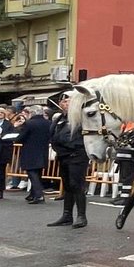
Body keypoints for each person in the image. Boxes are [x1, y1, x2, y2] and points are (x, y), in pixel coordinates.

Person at [46, 93, 89, 228]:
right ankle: (67, 215)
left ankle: (81, 216)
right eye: (63, 102)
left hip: (77, 155)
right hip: (63, 155)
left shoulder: (81, 117)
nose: (65, 103)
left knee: (77, 185)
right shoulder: (59, 118)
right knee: (67, 186)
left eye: (68, 101)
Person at [15, 105, 52, 204]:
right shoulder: (48, 123)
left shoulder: (29, 123)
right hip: (43, 150)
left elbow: (21, 137)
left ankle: (39, 195)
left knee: (32, 172)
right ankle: (33, 194)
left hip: (30, 150)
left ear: (31, 113)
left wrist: (16, 133)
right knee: (38, 173)